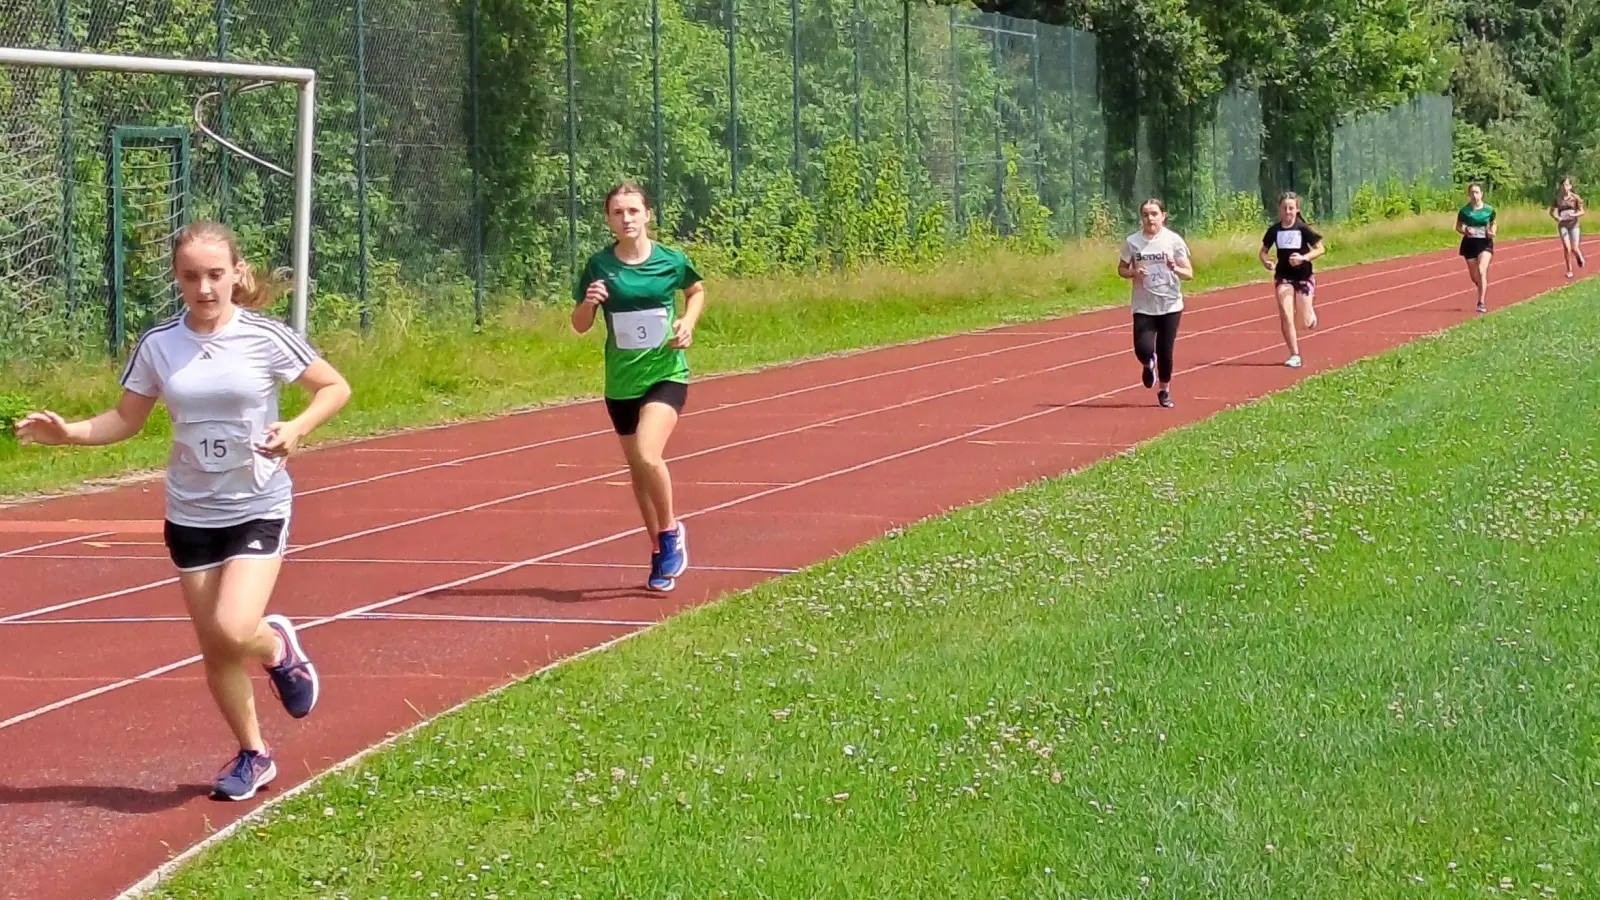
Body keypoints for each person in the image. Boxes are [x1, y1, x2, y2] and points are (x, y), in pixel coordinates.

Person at [13, 221, 351, 802]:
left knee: (234, 626)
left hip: (257, 502)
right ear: (177, 278)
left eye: (216, 275)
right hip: (191, 511)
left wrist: (296, 427)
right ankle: (253, 754)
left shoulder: (267, 337)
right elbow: (125, 419)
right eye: (191, 276)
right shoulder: (160, 345)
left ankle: (278, 649)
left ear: (236, 273)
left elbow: (333, 387)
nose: (204, 288)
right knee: (215, 645)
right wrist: (67, 433)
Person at [572, 181, 705, 593]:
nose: (626, 218)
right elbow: (579, 326)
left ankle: (670, 533)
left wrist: (687, 323)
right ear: (608, 219)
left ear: (647, 215)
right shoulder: (598, 266)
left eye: (633, 211)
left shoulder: (670, 260)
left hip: (665, 374)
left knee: (649, 453)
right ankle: (658, 552)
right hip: (621, 383)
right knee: (638, 471)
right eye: (617, 212)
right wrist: (589, 302)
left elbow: (696, 291)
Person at [1117, 198, 1194, 408]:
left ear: (1163, 216)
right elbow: (1121, 269)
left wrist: (1174, 268)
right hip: (1144, 305)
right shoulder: (1132, 242)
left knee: (1165, 350)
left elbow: (1189, 273)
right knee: (1142, 348)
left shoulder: (1173, 240)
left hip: (1170, 305)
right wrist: (1133, 272)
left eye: (1154, 214)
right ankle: (1147, 364)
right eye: (1145, 214)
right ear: (1141, 218)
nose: (1150, 218)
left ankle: (1164, 391)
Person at [1259, 191, 1325, 368]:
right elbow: (1263, 252)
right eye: (1284, 208)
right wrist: (1266, 262)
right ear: (1279, 210)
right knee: (1286, 315)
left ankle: (1310, 317)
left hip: (1303, 277)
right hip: (1284, 277)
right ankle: (1294, 354)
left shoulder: (1303, 229)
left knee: (1304, 321)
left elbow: (1320, 249)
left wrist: (1304, 258)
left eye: (1291, 208)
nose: (1288, 212)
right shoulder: (1274, 230)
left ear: (1297, 210)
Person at [1457, 182, 1497, 314]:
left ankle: (1481, 302)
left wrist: (1492, 232)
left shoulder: (1489, 210)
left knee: (1481, 270)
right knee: (1475, 277)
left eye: (1477, 192)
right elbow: (1458, 226)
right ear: (1469, 195)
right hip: (1470, 244)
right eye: (1472, 193)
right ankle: (1481, 287)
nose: (1475, 195)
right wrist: (1465, 230)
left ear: (1481, 194)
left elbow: (1493, 224)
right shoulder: (1464, 211)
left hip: (1485, 243)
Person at [1550, 176, 1585, 279]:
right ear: (1560, 187)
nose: (1565, 187)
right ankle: (1569, 270)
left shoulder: (1575, 198)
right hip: (1563, 226)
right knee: (1567, 247)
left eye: (1567, 185)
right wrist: (1556, 217)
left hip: (1574, 225)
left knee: (1574, 248)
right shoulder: (1558, 199)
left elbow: (1582, 211)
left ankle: (1579, 256)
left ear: (1570, 186)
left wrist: (1574, 215)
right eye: (1563, 185)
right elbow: (1551, 212)